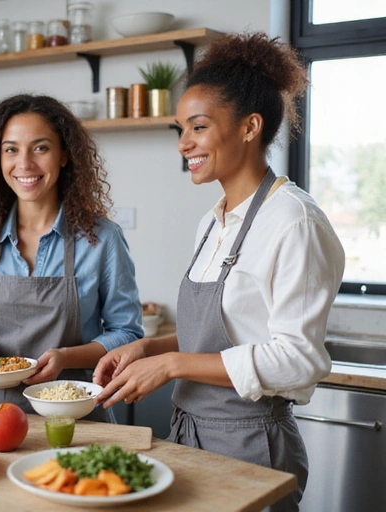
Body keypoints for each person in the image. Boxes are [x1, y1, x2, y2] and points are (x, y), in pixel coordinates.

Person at [93, 32, 345, 510]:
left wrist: (170, 365)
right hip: (190, 436)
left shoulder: (294, 220)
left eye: (198, 127)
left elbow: (298, 360)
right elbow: (219, 334)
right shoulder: (213, 221)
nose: (184, 143)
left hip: (252, 445)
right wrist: (147, 348)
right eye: (180, 129)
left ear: (250, 127)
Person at [0, 94, 144, 422]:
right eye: (11, 149)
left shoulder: (101, 238)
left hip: (75, 413)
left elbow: (126, 333)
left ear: (64, 154)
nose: (24, 164)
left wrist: (65, 357)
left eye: (40, 148)